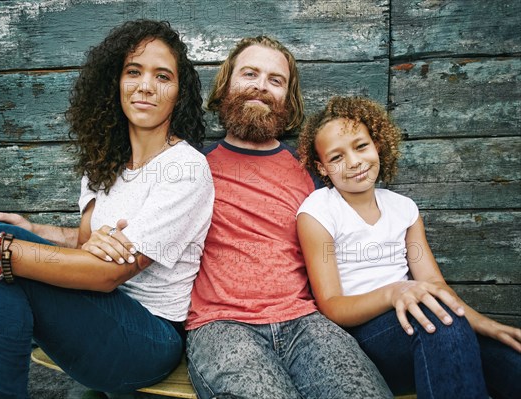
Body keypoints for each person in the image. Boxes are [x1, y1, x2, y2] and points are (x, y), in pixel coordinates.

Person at [0, 19, 214, 398]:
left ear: (179, 93)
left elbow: (106, 274)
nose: (145, 86)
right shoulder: (107, 164)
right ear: (116, 82)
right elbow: (85, 243)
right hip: (94, 311)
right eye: (133, 72)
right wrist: (31, 229)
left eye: (162, 77)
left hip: (147, 337)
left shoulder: (186, 168)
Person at [182, 37, 392, 399]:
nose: (261, 86)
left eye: (275, 80)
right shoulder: (191, 166)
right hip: (223, 325)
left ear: (287, 98)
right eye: (250, 74)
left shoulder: (312, 171)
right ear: (227, 83)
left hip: (305, 321)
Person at [296, 96, 521, 398]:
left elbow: (433, 284)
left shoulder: (404, 209)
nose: (354, 162)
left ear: (376, 144)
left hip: (422, 322)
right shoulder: (318, 211)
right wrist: (393, 293)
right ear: (322, 168)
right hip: (365, 338)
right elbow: (332, 305)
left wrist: (487, 326)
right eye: (336, 158)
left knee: (510, 357)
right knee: (441, 324)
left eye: (361, 146)